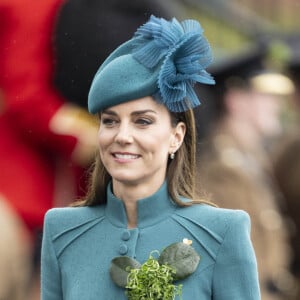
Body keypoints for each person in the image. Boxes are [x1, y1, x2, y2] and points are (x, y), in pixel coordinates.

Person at [41, 15, 260, 299]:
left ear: (176, 136)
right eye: (109, 121)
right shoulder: (61, 231)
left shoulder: (222, 231)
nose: (122, 135)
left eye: (142, 121)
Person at [197, 52, 296, 300]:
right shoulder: (221, 170)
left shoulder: (251, 159)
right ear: (236, 100)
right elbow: (232, 276)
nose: (277, 105)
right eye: (265, 97)